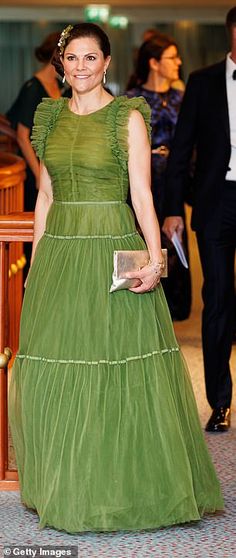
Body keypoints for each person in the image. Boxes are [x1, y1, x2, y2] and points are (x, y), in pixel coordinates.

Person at [9, 22, 223, 534]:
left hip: (109, 244)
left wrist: (156, 260)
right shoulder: (47, 116)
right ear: (62, 65)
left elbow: (143, 196)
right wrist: (37, 263)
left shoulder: (127, 116)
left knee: (114, 369)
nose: (80, 67)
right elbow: (44, 197)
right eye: (72, 58)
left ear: (107, 63)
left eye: (91, 58)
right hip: (60, 252)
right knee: (54, 369)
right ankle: (67, 481)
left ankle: (116, 486)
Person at [163, 6, 236, 433]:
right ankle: (220, 402)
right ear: (231, 34)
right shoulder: (203, 81)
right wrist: (173, 206)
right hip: (215, 203)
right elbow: (181, 146)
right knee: (218, 300)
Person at [126, 34, 191, 320]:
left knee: (173, 239)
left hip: (173, 177)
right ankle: (142, 305)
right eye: (172, 57)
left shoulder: (182, 96)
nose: (178, 63)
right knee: (141, 238)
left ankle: (174, 309)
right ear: (154, 63)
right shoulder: (131, 99)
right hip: (141, 174)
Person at [6, 31, 67, 211]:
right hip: (36, 167)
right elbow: (22, 137)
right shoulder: (32, 88)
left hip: (55, 164)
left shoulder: (60, 86)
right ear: (58, 56)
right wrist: (38, 175)